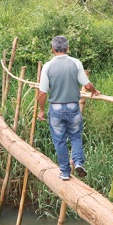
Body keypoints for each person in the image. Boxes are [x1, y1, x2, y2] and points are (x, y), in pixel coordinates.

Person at [38, 35, 100, 181]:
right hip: (73, 107)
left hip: (56, 109)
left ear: (53, 49)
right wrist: (94, 92)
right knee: (75, 136)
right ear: (68, 48)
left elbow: (42, 93)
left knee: (59, 140)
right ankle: (78, 162)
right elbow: (87, 84)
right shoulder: (76, 63)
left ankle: (65, 172)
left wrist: (41, 110)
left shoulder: (47, 66)